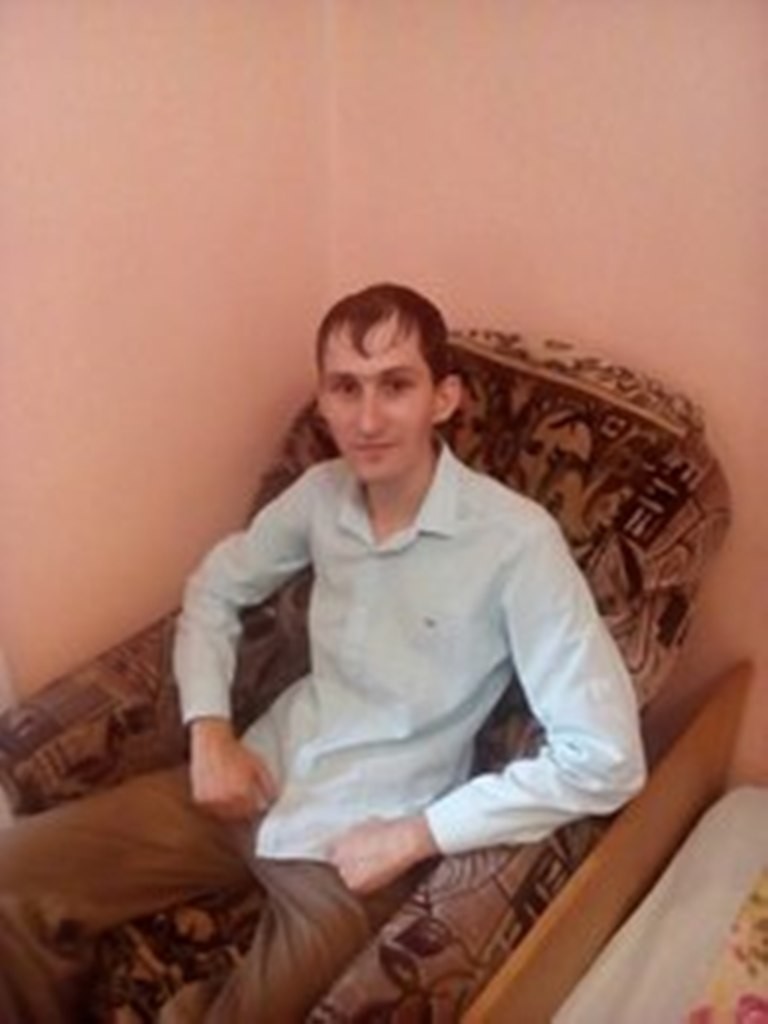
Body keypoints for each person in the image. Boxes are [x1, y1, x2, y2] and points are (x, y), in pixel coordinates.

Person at [0, 283, 646, 1023]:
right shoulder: (318, 495)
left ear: (443, 398)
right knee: (10, 880)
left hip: (359, 843)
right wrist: (209, 734)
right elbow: (214, 588)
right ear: (324, 401)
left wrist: (415, 836)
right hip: (257, 777)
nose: (367, 420)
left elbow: (607, 758)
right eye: (346, 388)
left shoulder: (515, 543)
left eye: (395, 386)